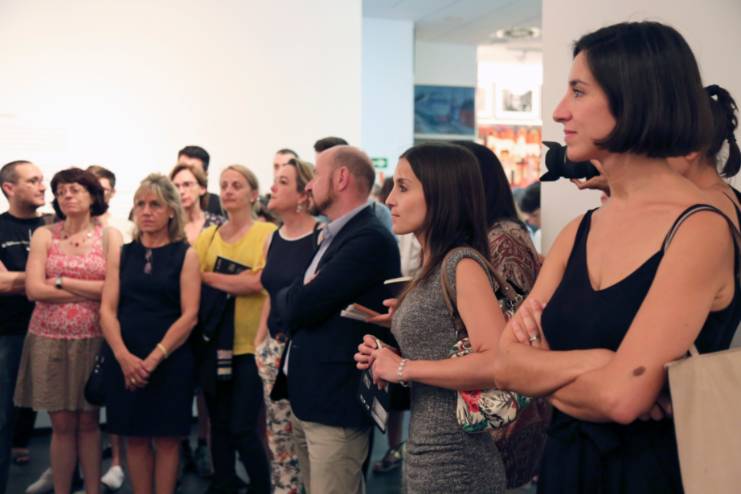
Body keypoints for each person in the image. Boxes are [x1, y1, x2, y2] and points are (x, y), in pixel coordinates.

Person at [407, 22, 739, 493]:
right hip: (565, 466)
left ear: (634, 98)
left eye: (579, 91)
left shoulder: (700, 228)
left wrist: (548, 370)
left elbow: (621, 398)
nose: (560, 111)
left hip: (649, 476)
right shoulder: (580, 229)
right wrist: (603, 363)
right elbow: (504, 364)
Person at [354, 143, 506, 493]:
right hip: (431, 449)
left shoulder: (460, 264)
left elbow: (496, 362)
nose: (390, 199)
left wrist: (402, 367)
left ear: (441, 195)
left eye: (403, 187)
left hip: (457, 459)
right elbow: (443, 347)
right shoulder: (435, 265)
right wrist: (387, 356)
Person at [273, 145, 400, 494]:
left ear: (341, 178)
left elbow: (298, 305)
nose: (309, 184)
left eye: (316, 174)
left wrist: (295, 295)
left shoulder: (368, 239)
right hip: (311, 396)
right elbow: (296, 297)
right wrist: (296, 294)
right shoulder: (335, 234)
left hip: (335, 402)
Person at [16, 167, 122, 494]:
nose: (67, 196)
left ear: (93, 196)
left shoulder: (110, 236)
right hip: (48, 339)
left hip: (93, 339)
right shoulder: (45, 235)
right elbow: (34, 289)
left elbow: (113, 290)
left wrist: (61, 281)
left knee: (89, 422)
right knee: (61, 425)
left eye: (75, 190)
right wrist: (90, 290)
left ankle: (91, 490)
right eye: (61, 191)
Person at [100, 173, 200, 494]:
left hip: (171, 360)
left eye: (155, 204)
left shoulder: (186, 254)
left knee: (168, 440)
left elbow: (190, 315)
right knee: (135, 438)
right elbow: (107, 310)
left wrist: (154, 358)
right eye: (140, 204)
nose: (146, 211)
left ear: (171, 210)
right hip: (124, 358)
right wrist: (123, 357)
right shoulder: (122, 253)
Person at [194, 165, 276, 494]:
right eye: (224, 185)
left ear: (253, 194)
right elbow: (193, 278)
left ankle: (261, 487)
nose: (228, 190)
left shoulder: (267, 232)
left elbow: (259, 282)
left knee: (243, 426)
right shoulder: (209, 236)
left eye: (237, 185)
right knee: (219, 423)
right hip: (215, 344)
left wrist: (211, 277)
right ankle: (224, 483)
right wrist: (236, 281)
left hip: (251, 344)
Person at [256, 158, 317, 494]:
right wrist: (260, 344)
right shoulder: (272, 239)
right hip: (273, 350)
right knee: (278, 442)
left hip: (306, 352)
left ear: (303, 194)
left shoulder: (321, 237)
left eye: (282, 182)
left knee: (309, 442)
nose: (272, 188)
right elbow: (269, 293)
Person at [0, 161, 47, 494]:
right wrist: (44, 280)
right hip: (9, 333)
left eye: (42, 180)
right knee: (3, 418)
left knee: (70, 417)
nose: (42, 186)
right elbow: (0, 283)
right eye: (33, 181)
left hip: (54, 332)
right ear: (9, 188)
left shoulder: (55, 227)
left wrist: (21, 280)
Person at [86, 165, 135, 242]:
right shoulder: (69, 227)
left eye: (102, 189)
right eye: (91, 189)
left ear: (112, 192)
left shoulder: (127, 227)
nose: (96, 193)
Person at [177, 145, 224, 217]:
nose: (185, 175)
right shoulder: (164, 203)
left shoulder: (217, 205)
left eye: (193, 171)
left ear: (205, 176)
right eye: (182, 169)